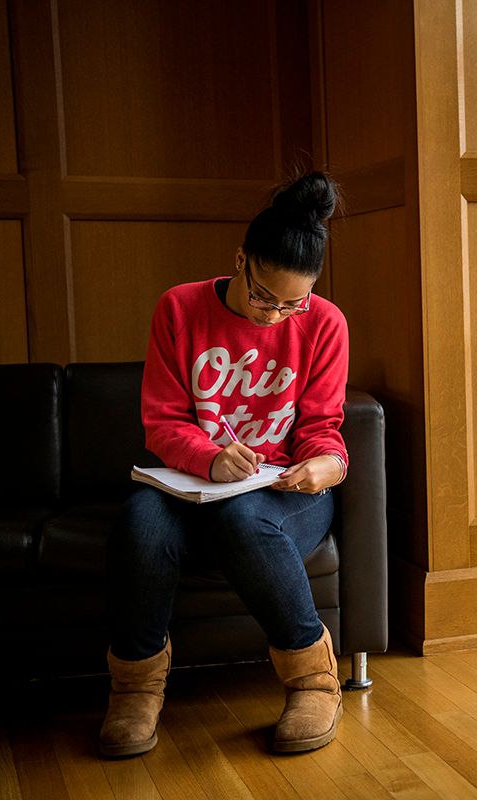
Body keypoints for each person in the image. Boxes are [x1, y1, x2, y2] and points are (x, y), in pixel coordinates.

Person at [99, 171, 348, 758]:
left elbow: (322, 426)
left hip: (281, 487)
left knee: (245, 521)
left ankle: (314, 680)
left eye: (294, 303)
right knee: (141, 523)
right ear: (241, 261)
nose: (274, 315)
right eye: (264, 296)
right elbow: (162, 421)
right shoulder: (180, 308)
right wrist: (210, 459)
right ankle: (135, 690)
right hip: (189, 482)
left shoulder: (325, 323)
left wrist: (325, 465)